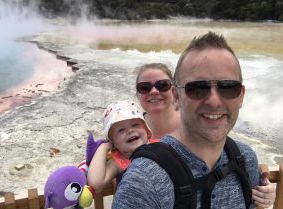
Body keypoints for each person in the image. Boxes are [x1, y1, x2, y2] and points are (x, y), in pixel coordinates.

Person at [112, 32, 276, 208]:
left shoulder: (245, 159)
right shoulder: (144, 182)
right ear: (176, 97)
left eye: (228, 87)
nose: (214, 101)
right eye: (197, 88)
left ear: (241, 96)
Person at [87, 100, 156, 193]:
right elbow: (96, 184)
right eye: (121, 130)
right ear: (114, 143)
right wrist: (104, 147)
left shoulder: (159, 147)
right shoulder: (120, 160)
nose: (130, 131)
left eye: (135, 124)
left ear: (147, 130)